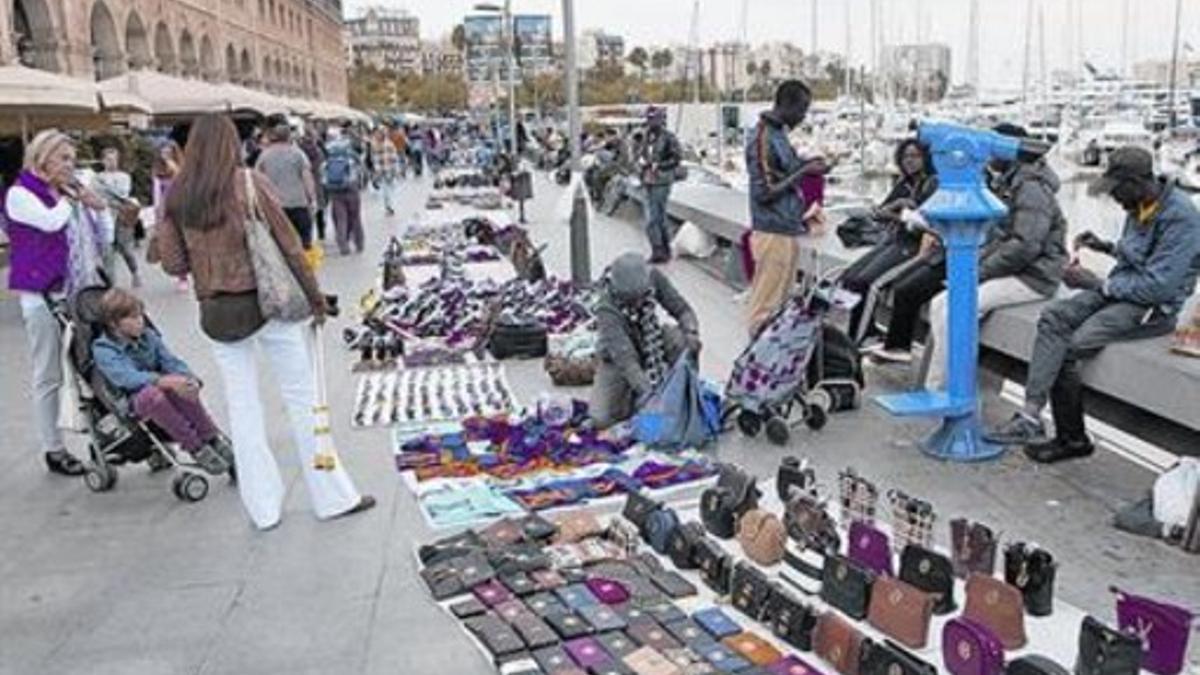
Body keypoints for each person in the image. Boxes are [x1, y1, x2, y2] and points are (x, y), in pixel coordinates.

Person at [157, 113, 374, 530]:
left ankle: (263, 509)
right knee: (302, 399)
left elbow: (172, 263)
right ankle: (331, 497)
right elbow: (290, 245)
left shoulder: (179, 194)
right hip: (269, 304)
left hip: (219, 313)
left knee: (242, 408)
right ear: (230, 145)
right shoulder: (247, 184)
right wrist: (314, 298)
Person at [985, 146, 1200, 463]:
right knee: (1054, 317)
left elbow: (1158, 286)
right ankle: (1030, 418)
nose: (1114, 198)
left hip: (1153, 309)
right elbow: (1138, 257)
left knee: (1070, 350)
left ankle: (1072, 439)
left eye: (1117, 189)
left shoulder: (1181, 217)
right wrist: (1105, 247)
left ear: (1138, 182)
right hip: (1121, 289)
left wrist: (1095, 283)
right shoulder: (1138, 203)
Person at [922, 124, 1068, 388]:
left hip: (1034, 275)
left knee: (958, 307)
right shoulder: (1012, 182)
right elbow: (1001, 237)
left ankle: (943, 388)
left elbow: (1025, 245)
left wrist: (980, 271)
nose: (986, 156)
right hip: (1014, 269)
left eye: (992, 149)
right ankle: (938, 384)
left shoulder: (1030, 188)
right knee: (939, 304)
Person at [5, 129, 108, 476]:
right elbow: (51, 222)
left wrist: (97, 207)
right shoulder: (20, 194)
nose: (70, 166)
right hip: (42, 298)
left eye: (72, 160)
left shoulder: (59, 193)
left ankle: (107, 440)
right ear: (42, 157)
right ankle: (53, 448)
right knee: (48, 375)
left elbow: (99, 237)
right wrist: (71, 195)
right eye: (63, 159)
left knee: (93, 367)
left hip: (79, 293)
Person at [91, 287, 231, 474]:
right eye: (132, 318)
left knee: (180, 384)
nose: (140, 321)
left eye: (140, 315)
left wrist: (188, 378)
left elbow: (170, 361)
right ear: (114, 324)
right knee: (153, 394)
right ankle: (195, 446)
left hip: (159, 387)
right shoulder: (103, 349)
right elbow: (126, 378)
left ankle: (211, 437)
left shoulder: (148, 336)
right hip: (130, 400)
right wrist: (163, 381)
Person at [744, 79, 825, 334]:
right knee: (764, 308)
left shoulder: (779, 134)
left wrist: (809, 165)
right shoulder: (762, 137)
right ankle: (756, 359)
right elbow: (763, 192)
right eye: (802, 109)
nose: (803, 117)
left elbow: (785, 171)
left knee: (780, 304)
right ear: (786, 105)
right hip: (772, 231)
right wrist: (804, 172)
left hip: (787, 228)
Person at [840, 139, 938, 342]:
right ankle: (865, 331)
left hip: (913, 245)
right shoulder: (904, 183)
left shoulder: (932, 184)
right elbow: (880, 212)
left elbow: (926, 225)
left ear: (925, 158)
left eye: (914, 156)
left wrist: (897, 215)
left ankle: (857, 338)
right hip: (895, 241)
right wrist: (898, 204)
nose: (909, 161)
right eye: (905, 156)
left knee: (869, 283)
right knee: (850, 278)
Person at [592, 253, 702, 429]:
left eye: (641, 297)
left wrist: (691, 332)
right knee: (601, 418)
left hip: (651, 342)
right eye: (631, 300)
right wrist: (650, 395)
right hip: (617, 359)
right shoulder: (606, 307)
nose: (638, 304)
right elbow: (626, 359)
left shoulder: (653, 277)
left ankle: (685, 394)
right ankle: (632, 399)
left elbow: (682, 309)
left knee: (681, 342)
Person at [256, 118, 317, 249]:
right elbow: (307, 178)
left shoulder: (264, 155)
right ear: (289, 136)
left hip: (275, 206)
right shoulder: (298, 154)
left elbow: (258, 179)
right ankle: (305, 266)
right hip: (298, 203)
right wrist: (312, 199)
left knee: (279, 245)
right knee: (305, 242)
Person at [92, 147, 142, 288]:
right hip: (104, 216)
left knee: (125, 248)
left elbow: (122, 194)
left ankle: (135, 272)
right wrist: (106, 197)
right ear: (103, 161)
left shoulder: (124, 177)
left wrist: (106, 190)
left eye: (114, 159)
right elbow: (95, 195)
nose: (111, 162)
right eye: (108, 159)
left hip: (122, 216)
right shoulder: (96, 178)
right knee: (107, 251)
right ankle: (110, 283)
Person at [638, 107, 683, 264]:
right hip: (648, 179)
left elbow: (677, 158)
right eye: (649, 119)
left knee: (653, 217)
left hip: (662, 179)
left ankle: (659, 249)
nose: (651, 122)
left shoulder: (669, 137)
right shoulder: (646, 136)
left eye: (653, 119)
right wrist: (643, 164)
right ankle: (663, 249)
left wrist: (660, 165)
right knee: (658, 216)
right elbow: (642, 154)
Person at [149, 140, 189, 292]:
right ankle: (181, 274)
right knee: (174, 242)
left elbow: (184, 183)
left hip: (181, 207)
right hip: (166, 210)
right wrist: (157, 214)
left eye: (169, 152)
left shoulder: (180, 167)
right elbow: (156, 192)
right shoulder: (157, 170)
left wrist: (173, 166)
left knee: (185, 240)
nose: (165, 155)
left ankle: (186, 272)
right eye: (163, 152)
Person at [321, 127, 365, 256]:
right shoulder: (352, 158)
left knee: (341, 219)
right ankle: (359, 244)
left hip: (335, 192)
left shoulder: (328, 161)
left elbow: (323, 178)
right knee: (355, 217)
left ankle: (343, 246)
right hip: (352, 190)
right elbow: (362, 171)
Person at [297, 126, 328, 242]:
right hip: (317, 180)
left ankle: (308, 235)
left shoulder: (299, 152)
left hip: (303, 182)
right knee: (320, 208)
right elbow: (323, 164)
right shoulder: (318, 150)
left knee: (306, 211)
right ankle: (321, 233)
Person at [369, 126, 400, 216]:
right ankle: (389, 206)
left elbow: (393, 157)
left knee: (387, 188)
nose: (377, 135)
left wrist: (377, 169)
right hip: (387, 170)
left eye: (379, 134)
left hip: (386, 170)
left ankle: (389, 206)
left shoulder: (380, 145)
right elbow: (394, 157)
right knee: (388, 188)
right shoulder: (388, 144)